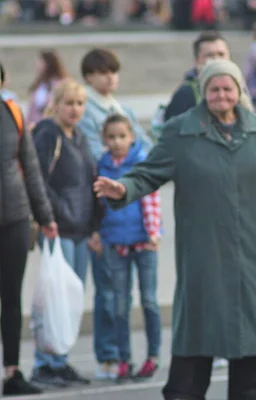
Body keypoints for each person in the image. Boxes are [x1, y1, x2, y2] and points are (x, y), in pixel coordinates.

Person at [93, 59, 256, 400]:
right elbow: (147, 173)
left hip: (255, 262)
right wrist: (123, 189)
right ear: (204, 92)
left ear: (239, 91)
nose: (221, 95)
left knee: (251, 375)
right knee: (189, 369)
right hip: (203, 262)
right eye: (214, 89)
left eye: (228, 88)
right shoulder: (181, 132)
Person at [31, 79, 97, 387]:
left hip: (81, 229)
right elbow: (39, 179)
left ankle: (61, 359)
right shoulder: (47, 134)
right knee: (54, 296)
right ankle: (45, 363)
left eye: (80, 104)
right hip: (58, 227)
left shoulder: (80, 135)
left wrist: (94, 223)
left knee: (70, 298)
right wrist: (53, 214)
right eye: (69, 103)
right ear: (55, 104)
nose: (75, 109)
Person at [0, 61, 58, 396]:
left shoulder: (13, 112)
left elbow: (31, 167)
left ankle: (12, 371)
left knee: (11, 297)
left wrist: (45, 215)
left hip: (15, 218)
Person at [94, 113, 162, 381]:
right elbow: (98, 205)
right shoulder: (103, 164)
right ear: (104, 140)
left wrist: (153, 232)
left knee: (149, 301)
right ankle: (124, 359)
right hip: (115, 242)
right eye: (111, 137)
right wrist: (97, 233)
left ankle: (153, 356)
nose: (117, 142)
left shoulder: (142, 161)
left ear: (132, 136)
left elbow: (150, 198)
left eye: (122, 136)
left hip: (144, 241)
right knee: (120, 304)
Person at [164, 31, 231, 122]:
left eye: (221, 54)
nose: (217, 60)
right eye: (210, 56)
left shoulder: (239, 89)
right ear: (196, 60)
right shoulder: (185, 94)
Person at [26, 50, 68, 131]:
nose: (37, 65)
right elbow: (32, 109)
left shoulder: (60, 83)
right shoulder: (39, 84)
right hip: (35, 127)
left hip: (52, 128)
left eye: (40, 62)